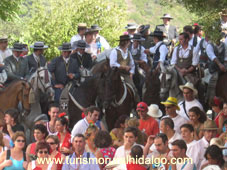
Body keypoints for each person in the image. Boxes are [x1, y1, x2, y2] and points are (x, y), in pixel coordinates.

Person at [109, 34, 140, 103]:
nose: (130, 43)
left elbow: (132, 65)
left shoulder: (128, 52)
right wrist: (124, 67)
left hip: (126, 75)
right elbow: (112, 64)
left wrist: (131, 73)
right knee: (108, 89)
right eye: (129, 41)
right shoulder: (115, 51)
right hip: (115, 74)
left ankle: (136, 107)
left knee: (134, 89)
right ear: (126, 42)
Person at [206, 31, 227, 102]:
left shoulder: (224, 45)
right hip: (214, 68)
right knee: (214, 78)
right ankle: (211, 99)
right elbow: (212, 56)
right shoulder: (209, 45)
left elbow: (225, 57)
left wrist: (224, 64)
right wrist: (220, 65)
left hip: (223, 66)